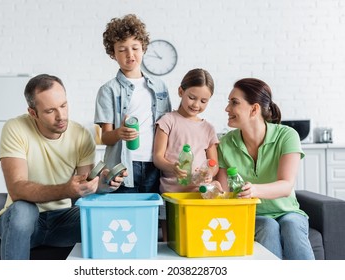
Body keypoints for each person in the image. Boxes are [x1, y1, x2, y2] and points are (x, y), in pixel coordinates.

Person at [0, 74, 126, 260]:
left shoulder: (81, 135)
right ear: (33, 113)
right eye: (50, 111)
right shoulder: (16, 128)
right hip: (23, 222)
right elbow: (17, 189)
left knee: (104, 218)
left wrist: (103, 183)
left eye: (63, 106)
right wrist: (66, 189)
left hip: (62, 220)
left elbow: (85, 185)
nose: (61, 116)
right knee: (24, 209)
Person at [215, 78, 315, 260]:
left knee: (291, 224)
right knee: (268, 226)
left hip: (288, 211)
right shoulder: (225, 143)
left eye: (234, 102)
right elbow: (223, 193)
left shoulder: (286, 136)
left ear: (254, 109)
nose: (227, 109)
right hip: (251, 215)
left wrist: (254, 190)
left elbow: (286, 186)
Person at [94, 14, 171, 193]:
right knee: (125, 217)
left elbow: (168, 128)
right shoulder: (108, 90)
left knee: (153, 217)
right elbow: (105, 137)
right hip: (123, 167)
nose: (130, 54)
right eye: (122, 50)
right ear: (113, 54)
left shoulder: (160, 87)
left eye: (135, 48)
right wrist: (119, 133)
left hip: (155, 165)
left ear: (143, 48)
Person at [153, 68, 220, 240]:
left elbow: (214, 164)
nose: (196, 105)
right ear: (180, 91)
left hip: (199, 194)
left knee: (198, 239)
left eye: (204, 101)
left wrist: (209, 174)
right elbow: (158, 158)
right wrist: (172, 167)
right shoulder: (168, 121)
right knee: (172, 242)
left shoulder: (208, 129)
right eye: (192, 97)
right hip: (172, 194)